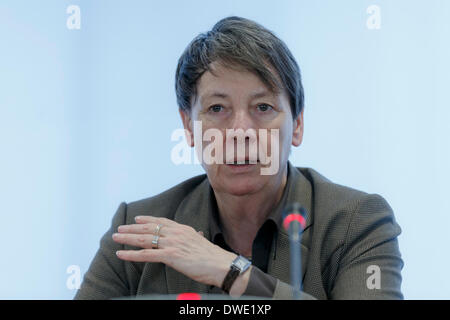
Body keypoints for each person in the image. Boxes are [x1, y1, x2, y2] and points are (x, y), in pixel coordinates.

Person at [74, 16, 403, 300]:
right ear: (188, 126)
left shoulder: (356, 223)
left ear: (298, 125)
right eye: (217, 109)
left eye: (263, 107)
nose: (240, 131)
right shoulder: (142, 229)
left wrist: (232, 273)